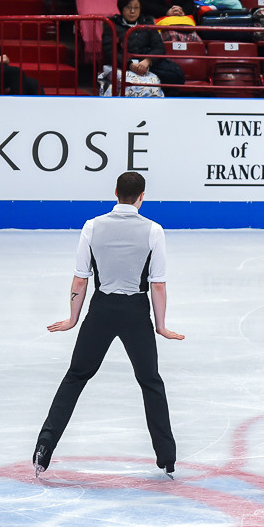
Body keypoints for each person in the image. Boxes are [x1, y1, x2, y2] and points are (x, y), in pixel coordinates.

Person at [33, 172, 184, 480]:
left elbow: (80, 278)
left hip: (101, 310)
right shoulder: (153, 231)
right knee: (150, 382)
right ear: (142, 196)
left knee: (75, 377)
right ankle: (167, 459)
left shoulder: (92, 226)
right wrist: (162, 325)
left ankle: (44, 449)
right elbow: (157, 284)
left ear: (115, 192)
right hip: (136, 313)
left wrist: (73, 318)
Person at [102, 0, 186, 94]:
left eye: (136, 8)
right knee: (134, 86)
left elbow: (159, 47)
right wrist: (129, 64)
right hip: (122, 65)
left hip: (145, 64)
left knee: (176, 74)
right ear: (121, 8)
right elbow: (109, 51)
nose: (132, 11)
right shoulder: (112, 25)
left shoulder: (147, 22)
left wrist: (148, 60)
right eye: (128, 7)